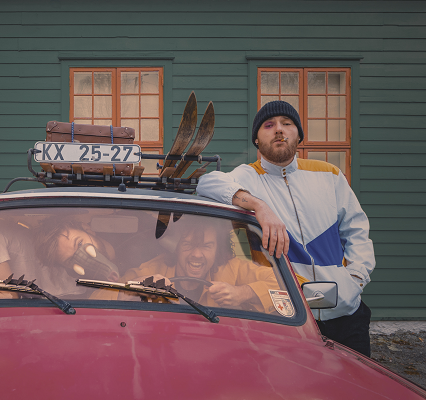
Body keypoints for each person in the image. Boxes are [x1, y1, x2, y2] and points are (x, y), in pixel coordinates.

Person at [196, 100, 375, 356]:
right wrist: (259, 206)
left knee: (356, 381)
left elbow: (356, 230)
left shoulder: (330, 175)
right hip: (287, 313)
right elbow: (206, 183)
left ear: (299, 135)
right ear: (256, 139)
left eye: (287, 123)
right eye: (269, 125)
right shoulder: (246, 176)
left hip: (346, 312)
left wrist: (356, 279)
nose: (279, 129)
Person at [118, 222, 280, 313]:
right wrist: (136, 289)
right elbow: (106, 292)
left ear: (217, 249)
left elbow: (282, 284)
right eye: (188, 245)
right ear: (176, 248)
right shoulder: (153, 269)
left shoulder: (232, 268)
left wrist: (241, 293)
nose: (196, 254)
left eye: (206, 246)